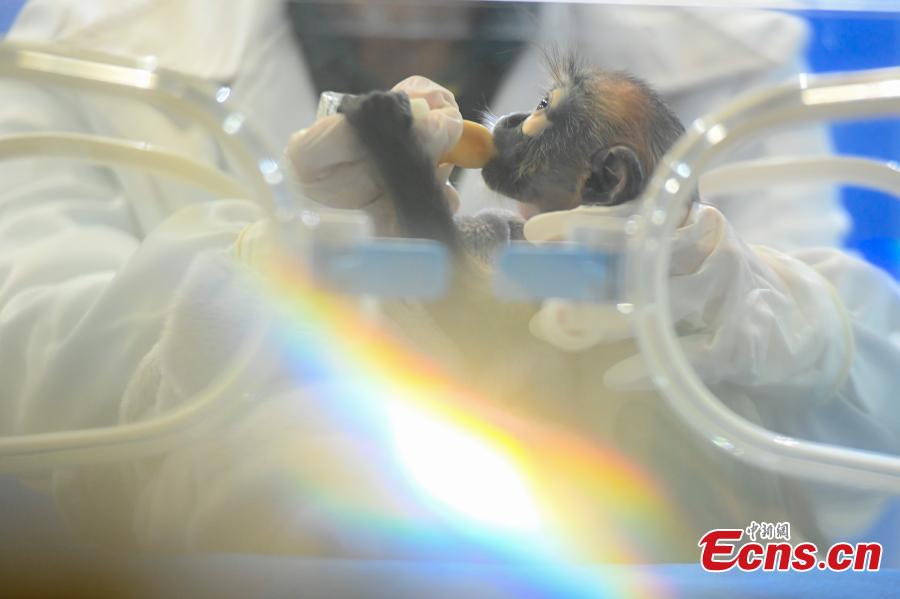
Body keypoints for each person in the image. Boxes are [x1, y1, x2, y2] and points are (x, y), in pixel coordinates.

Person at [1, 0, 895, 555]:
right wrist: (263, 275)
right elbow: (34, 391)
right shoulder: (82, 43)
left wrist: (748, 307)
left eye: (540, 118)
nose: (506, 133)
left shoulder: (719, 51)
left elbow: (864, 424)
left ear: (610, 180)